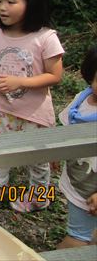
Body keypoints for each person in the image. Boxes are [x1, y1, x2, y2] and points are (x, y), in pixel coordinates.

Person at [0, 0, 64, 212]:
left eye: (11, 2)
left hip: (32, 112)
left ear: (33, 4)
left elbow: (55, 76)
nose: (2, 8)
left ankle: (39, 196)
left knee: (36, 157)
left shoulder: (46, 37)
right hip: (0, 107)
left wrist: (20, 82)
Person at [56, 45, 97, 249]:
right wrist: (56, 152)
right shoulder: (81, 101)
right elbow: (64, 130)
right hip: (79, 181)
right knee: (83, 231)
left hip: (94, 193)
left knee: (78, 238)